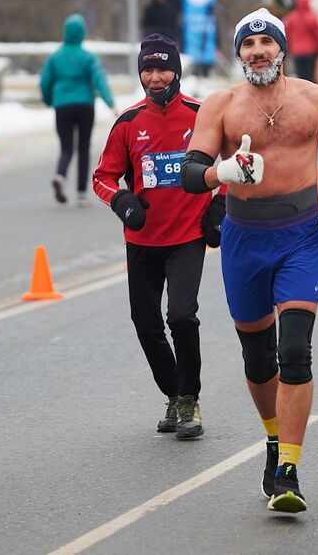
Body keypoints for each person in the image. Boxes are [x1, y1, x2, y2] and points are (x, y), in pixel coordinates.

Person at [180, 8, 318, 513]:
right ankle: (271, 438)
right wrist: (226, 172)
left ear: (281, 48)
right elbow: (190, 173)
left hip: (302, 237)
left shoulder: (317, 99)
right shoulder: (220, 105)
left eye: (266, 41)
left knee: (295, 353)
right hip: (243, 239)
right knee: (258, 359)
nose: (258, 50)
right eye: (248, 43)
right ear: (238, 53)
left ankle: (289, 469)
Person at [92, 34, 224, 440]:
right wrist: (121, 200)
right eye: (147, 69)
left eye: (162, 68)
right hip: (143, 241)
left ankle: (190, 398)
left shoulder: (202, 115)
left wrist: (221, 204)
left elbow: (240, 162)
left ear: (177, 71)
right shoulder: (128, 123)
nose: (154, 77)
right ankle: (173, 394)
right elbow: (102, 178)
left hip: (187, 236)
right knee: (145, 323)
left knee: (181, 316)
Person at [40, 14, 115, 206]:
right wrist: (111, 103)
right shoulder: (88, 57)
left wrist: (50, 100)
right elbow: (99, 80)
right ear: (82, 33)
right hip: (84, 105)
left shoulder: (55, 57)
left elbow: (45, 81)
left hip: (62, 105)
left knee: (66, 147)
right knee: (83, 148)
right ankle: (81, 194)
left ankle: (60, 175)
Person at [283, 0, 318, 82]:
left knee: (300, 76)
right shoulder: (313, 16)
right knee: (310, 76)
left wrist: (288, 47)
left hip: (297, 50)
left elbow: (287, 33)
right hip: (311, 50)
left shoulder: (292, 17)